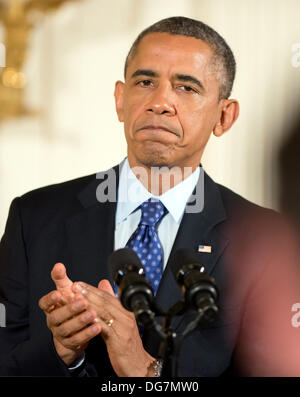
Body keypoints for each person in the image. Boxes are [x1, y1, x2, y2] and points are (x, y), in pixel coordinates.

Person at [0, 16, 299, 377]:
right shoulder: (33, 217)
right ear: (121, 100)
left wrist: (146, 370)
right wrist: (61, 350)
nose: (160, 103)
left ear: (224, 116)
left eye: (186, 88)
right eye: (145, 82)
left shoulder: (266, 239)